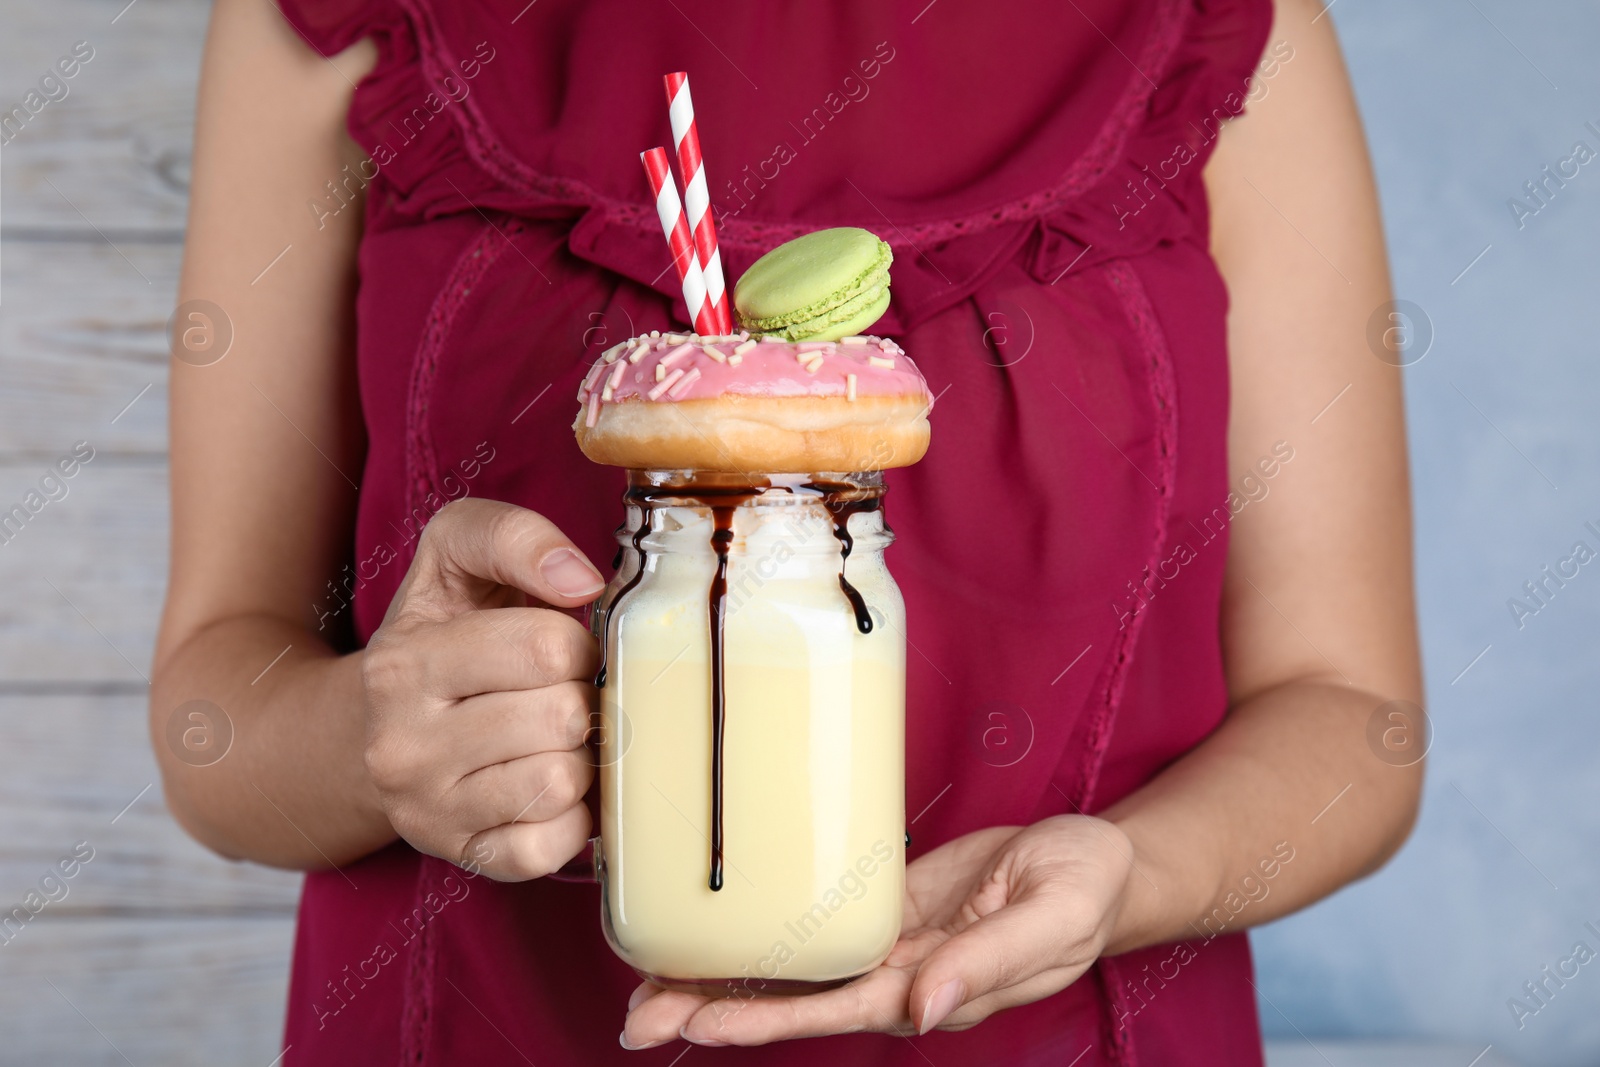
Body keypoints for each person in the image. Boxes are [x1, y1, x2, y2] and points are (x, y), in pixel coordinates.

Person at [152, 0, 1423, 1062]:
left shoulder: (1225, 25)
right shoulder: (325, 24)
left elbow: (1355, 724)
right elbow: (213, 727)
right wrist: (373, 736)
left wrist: (1132, 874)